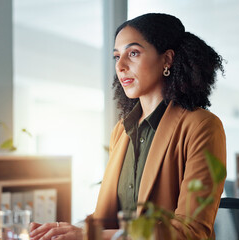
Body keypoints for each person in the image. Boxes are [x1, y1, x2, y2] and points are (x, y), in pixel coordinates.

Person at [29, 13, 226, 240]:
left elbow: (190, 232)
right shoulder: (121, 131)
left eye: (133, 53)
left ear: (167, 60)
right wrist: (63, 231)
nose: (121, 66)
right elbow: (105, 220)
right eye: (116, 56)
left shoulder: (202, 126)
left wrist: (90, 236)